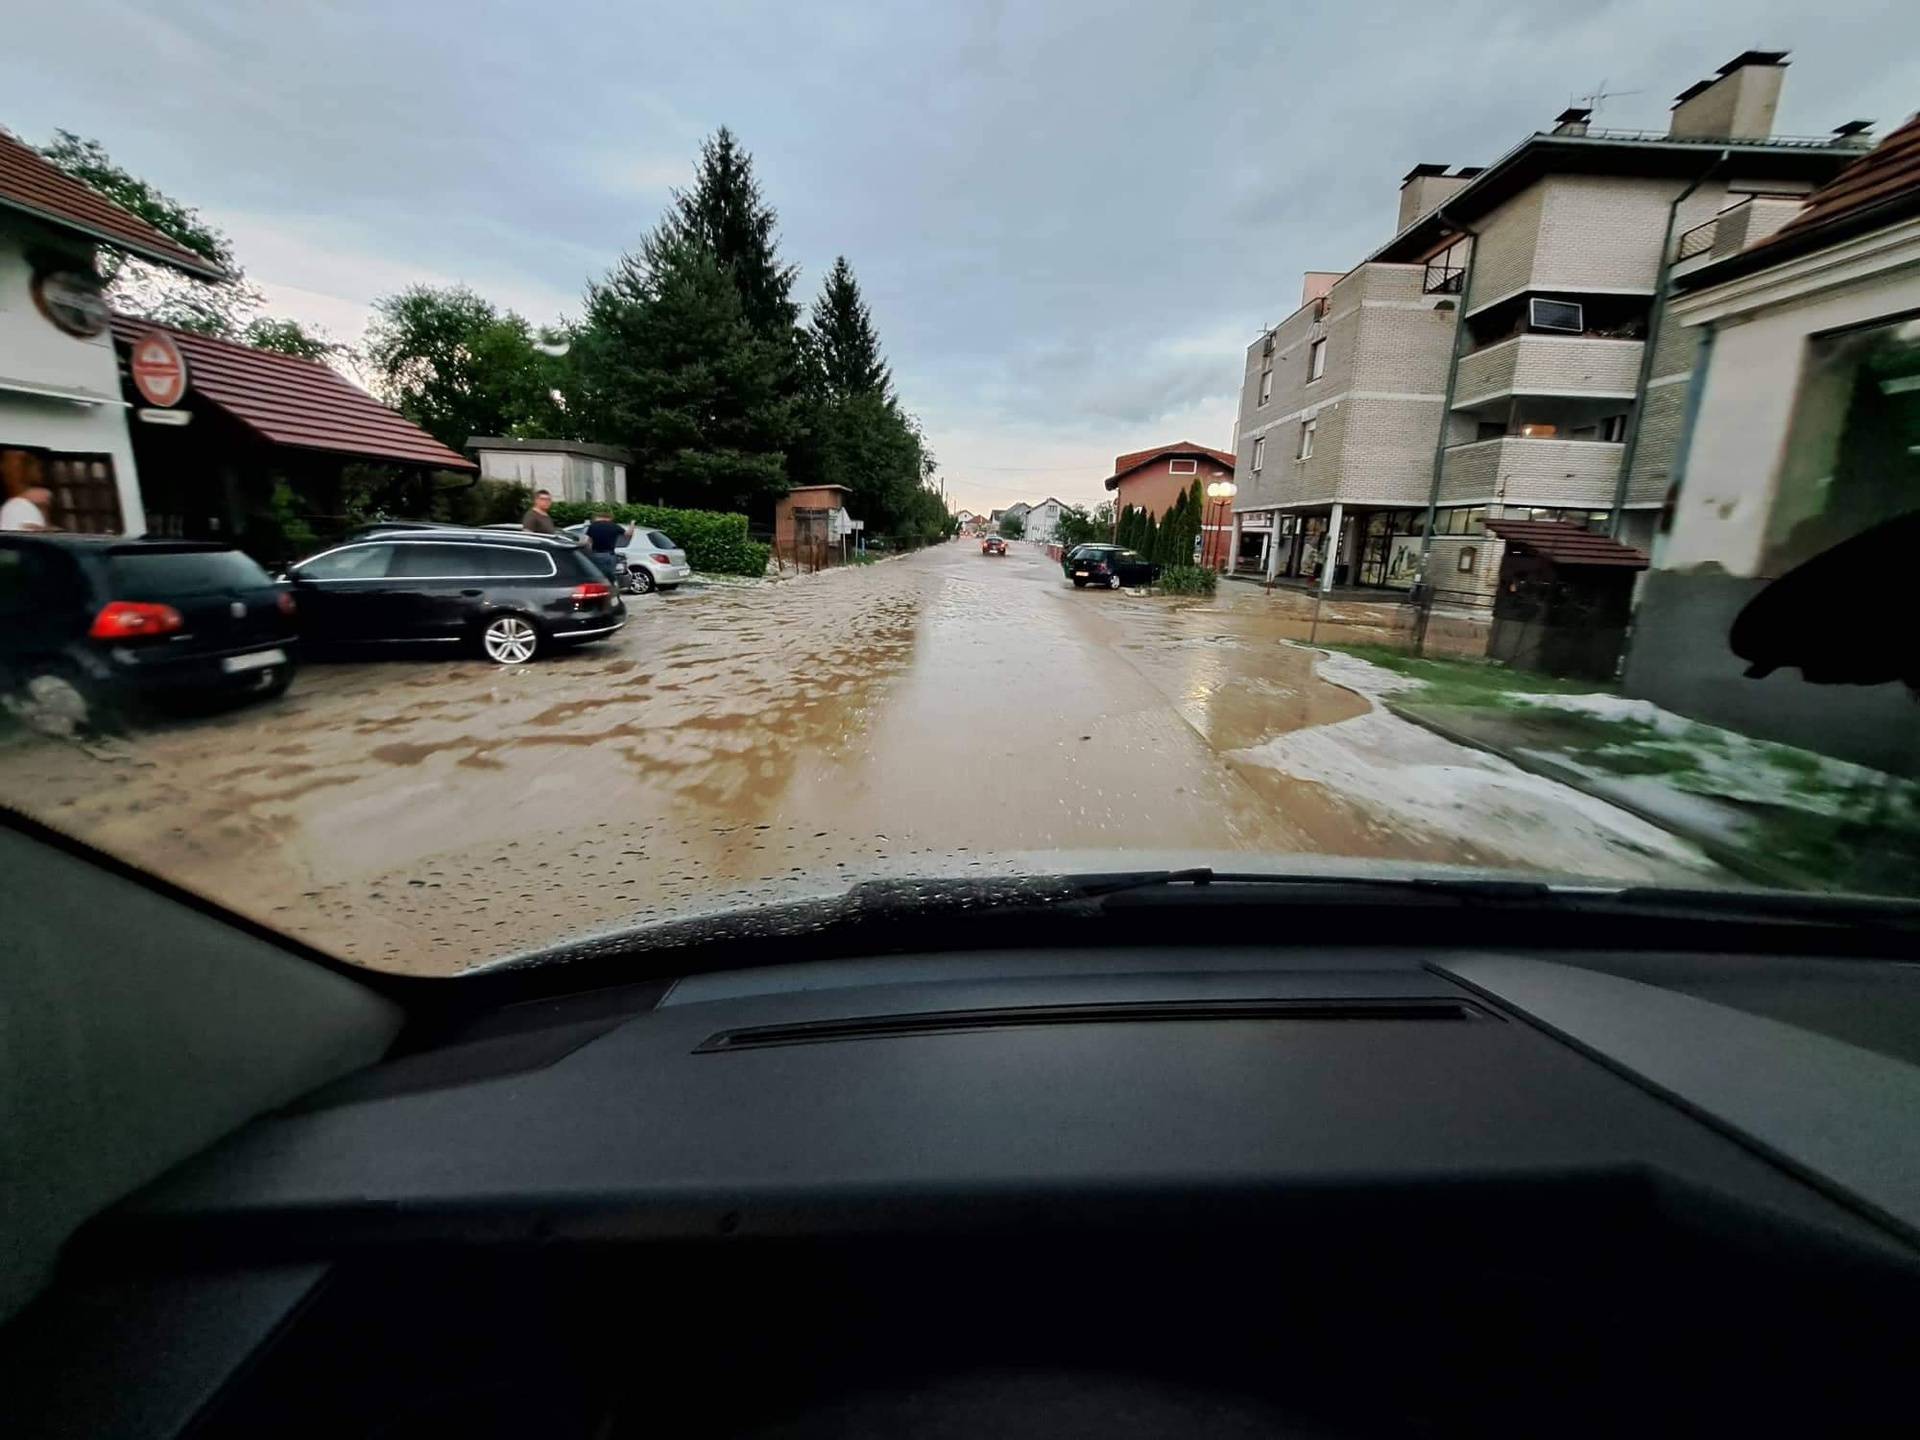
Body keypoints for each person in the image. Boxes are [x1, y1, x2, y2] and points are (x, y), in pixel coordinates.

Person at [582, 508, 634, 584]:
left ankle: (602, 590)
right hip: (610, 555)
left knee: (599, 576)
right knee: (610, 576)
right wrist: (632, 524)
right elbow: (628, 534)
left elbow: (588, 542)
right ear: (609, 518)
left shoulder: (592, 527)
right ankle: (613, 587)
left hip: (597, 554)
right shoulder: (614, 526)